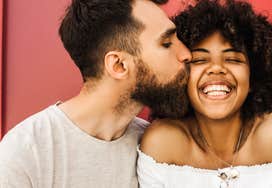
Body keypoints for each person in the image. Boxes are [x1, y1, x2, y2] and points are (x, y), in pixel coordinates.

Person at [0, 0, 191, 187]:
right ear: (119, 65)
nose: (186, 54)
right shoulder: (25, 152)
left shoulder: (154, 146)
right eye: (166, 43)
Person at [138, 0, 272, 187]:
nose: (216, 68)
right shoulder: (162, 143)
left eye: (232, 59)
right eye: (199, 60)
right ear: (181, 75)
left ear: (253, 75)